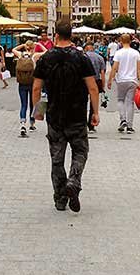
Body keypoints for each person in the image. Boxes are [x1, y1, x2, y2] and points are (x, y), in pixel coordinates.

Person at [32, 19, 99, 213]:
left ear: (56, 36)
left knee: (56, 159)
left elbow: (36, 87)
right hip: (77, 114)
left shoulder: (46, 58)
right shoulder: (82, 58)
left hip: (55, 116)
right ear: (71, 35)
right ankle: (74, 180)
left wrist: (38, 112)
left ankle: (60, 198)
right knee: (80, 152)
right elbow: (93, 87)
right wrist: (95, 113)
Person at [106, 33, 140, 134]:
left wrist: (110, 80)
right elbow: (139, 68)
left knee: (120, 100)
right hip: (132, 80)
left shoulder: (118, 53)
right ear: (130, 41)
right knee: (130, 102)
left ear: (121, 41)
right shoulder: (136, 53)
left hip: (121, 80)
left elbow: (114, 68)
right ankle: (130, 126)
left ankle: (123, 120)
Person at [14, 43, 37, 135]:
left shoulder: (20, 55)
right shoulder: (34, 56)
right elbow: (46, 51)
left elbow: (13, 49)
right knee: (32, 104)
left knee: (23, 104)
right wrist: (38, 44)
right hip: (32, 83)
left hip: (22, 83)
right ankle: (32, 124)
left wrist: (22, 45)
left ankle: (23, 124)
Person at [83, 42, 106, 133]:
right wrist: (103, 85)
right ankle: (91, 125)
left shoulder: (83, 57)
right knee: (93, 104)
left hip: (83, 82)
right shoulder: (100, 58)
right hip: (96, 81)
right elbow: (102, 73)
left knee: (83, 102)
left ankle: (83, 124)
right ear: (93, 48)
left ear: (86, 48)